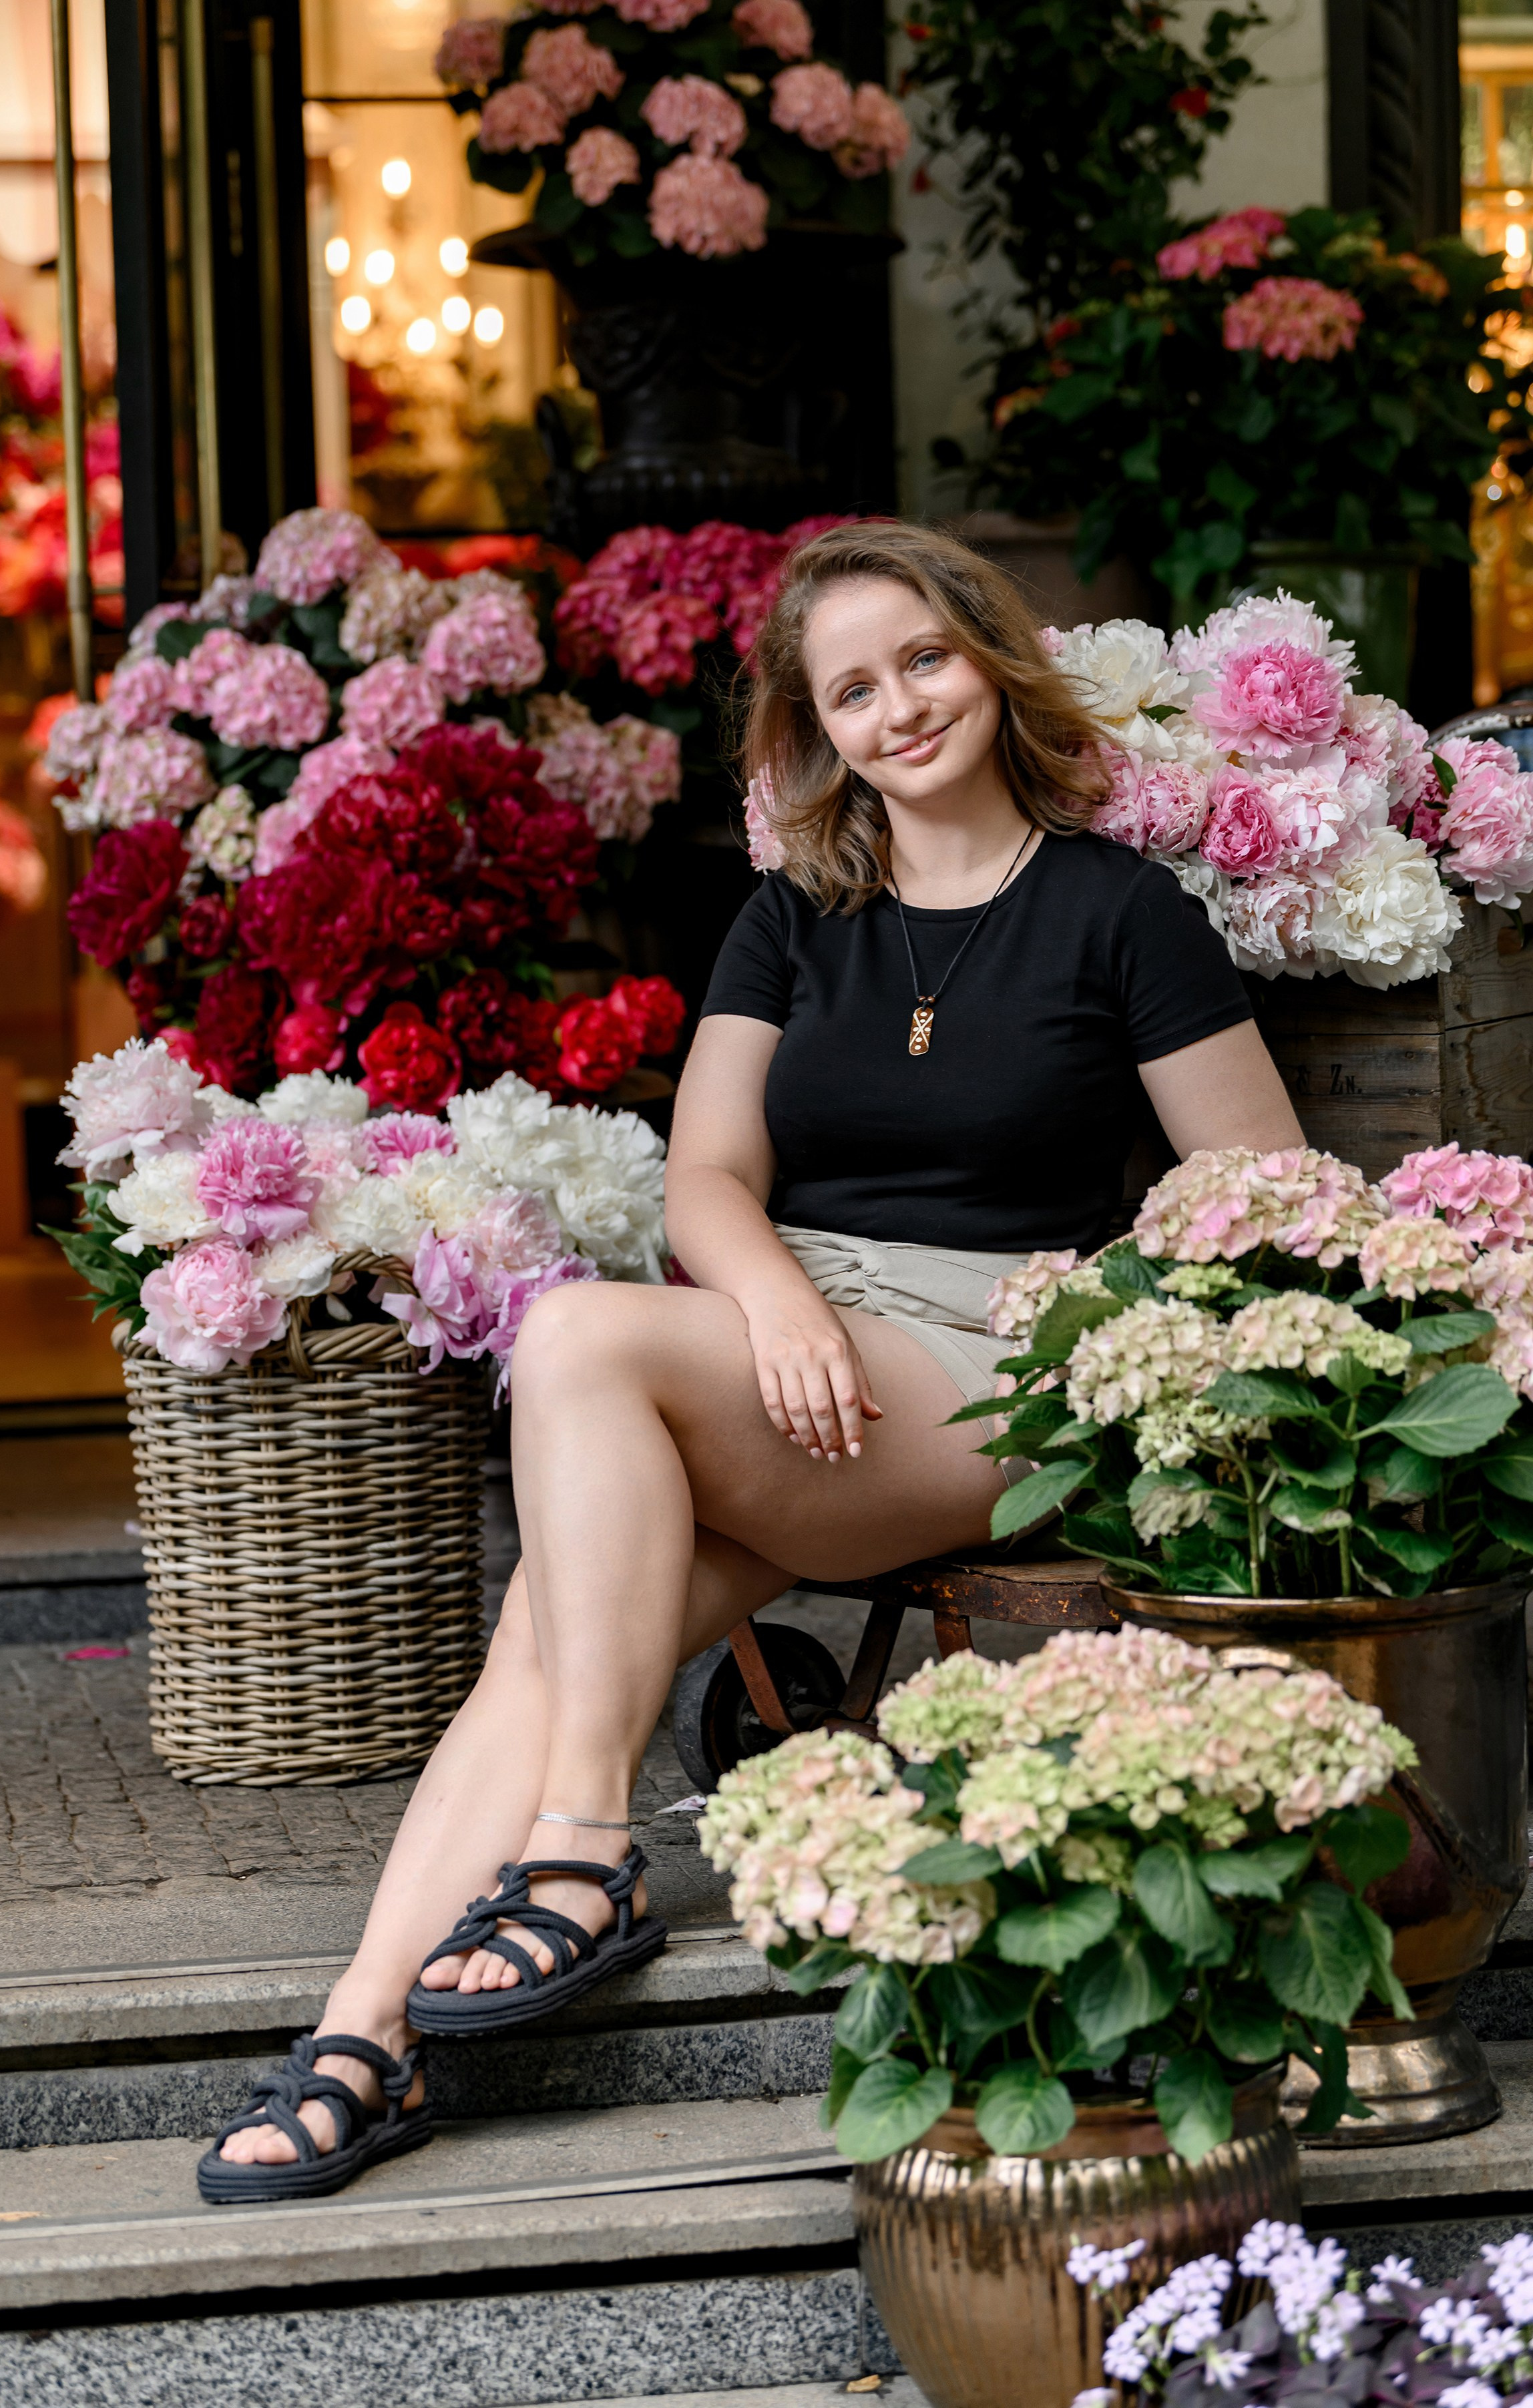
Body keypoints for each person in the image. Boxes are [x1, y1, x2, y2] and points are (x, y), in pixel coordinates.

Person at [198, 520, 1303, 2201]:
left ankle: (583, 1853)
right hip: (784, 1342)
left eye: (923, 661)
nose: (900, 708)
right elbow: (708, 1175)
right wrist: (781, 1308)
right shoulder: (795, 914)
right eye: (852, 690)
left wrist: (1102, 1324)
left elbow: (1254, 1195)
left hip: (985, 1365)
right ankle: (367, 2033)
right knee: (549, 1635)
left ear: (991, 665)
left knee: (574, 1333)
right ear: (819, 731)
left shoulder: (1121, 913)